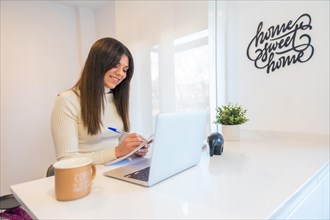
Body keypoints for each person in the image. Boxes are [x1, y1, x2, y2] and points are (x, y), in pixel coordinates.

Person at [51, 37, 149, 164]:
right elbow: (66, 160)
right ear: (97, 64)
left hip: (116, 170)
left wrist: (134, 149)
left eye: (125, 70)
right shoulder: (67, 100)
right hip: (87, 176)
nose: (121, 73)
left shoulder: (115, 98)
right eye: (115, 66)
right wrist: (117, 151)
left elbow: (116, 139)